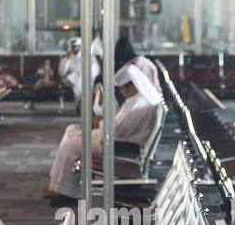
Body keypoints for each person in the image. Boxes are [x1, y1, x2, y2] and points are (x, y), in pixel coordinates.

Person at [43, 63, 162, 200]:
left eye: (123, 89)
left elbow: (117, 131)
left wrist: (100, 122)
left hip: (117, 147)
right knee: (72, 132)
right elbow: (119, 125)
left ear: (132, 86)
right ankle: (56, 185)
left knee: (70, 145)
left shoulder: (138, 104)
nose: (122, 92)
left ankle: (64, 191)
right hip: (115, 141)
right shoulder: (137, 100)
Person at [57, 37, 98, 102]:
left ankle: (84, 100)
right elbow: (62, 73)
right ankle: (82, 100)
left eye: (77, 46)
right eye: (73, 47)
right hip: (70, 80)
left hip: (85, 80)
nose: (75, 48)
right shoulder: (68, 57)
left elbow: (93, 72)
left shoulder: (88, 57)